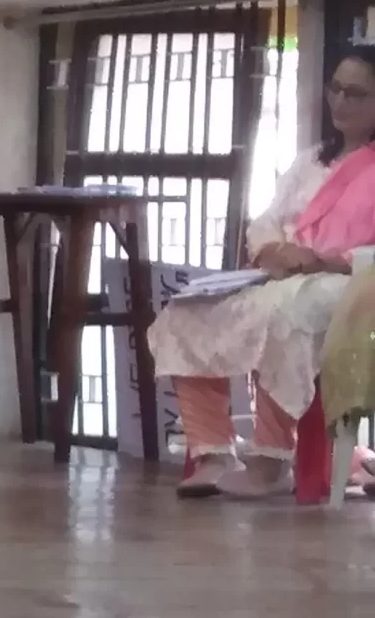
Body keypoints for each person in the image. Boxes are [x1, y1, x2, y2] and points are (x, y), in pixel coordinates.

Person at [154, 45, 375, 499]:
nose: (339, 101)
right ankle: (213, 451)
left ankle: (272, 459)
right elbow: (268, 219)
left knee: (284, 316)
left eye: (355, 93)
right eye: (335, 89)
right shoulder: (311, 160)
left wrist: (326, 260)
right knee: (187, 311)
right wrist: (274, 249)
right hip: (284, 271)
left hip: (349, 282)